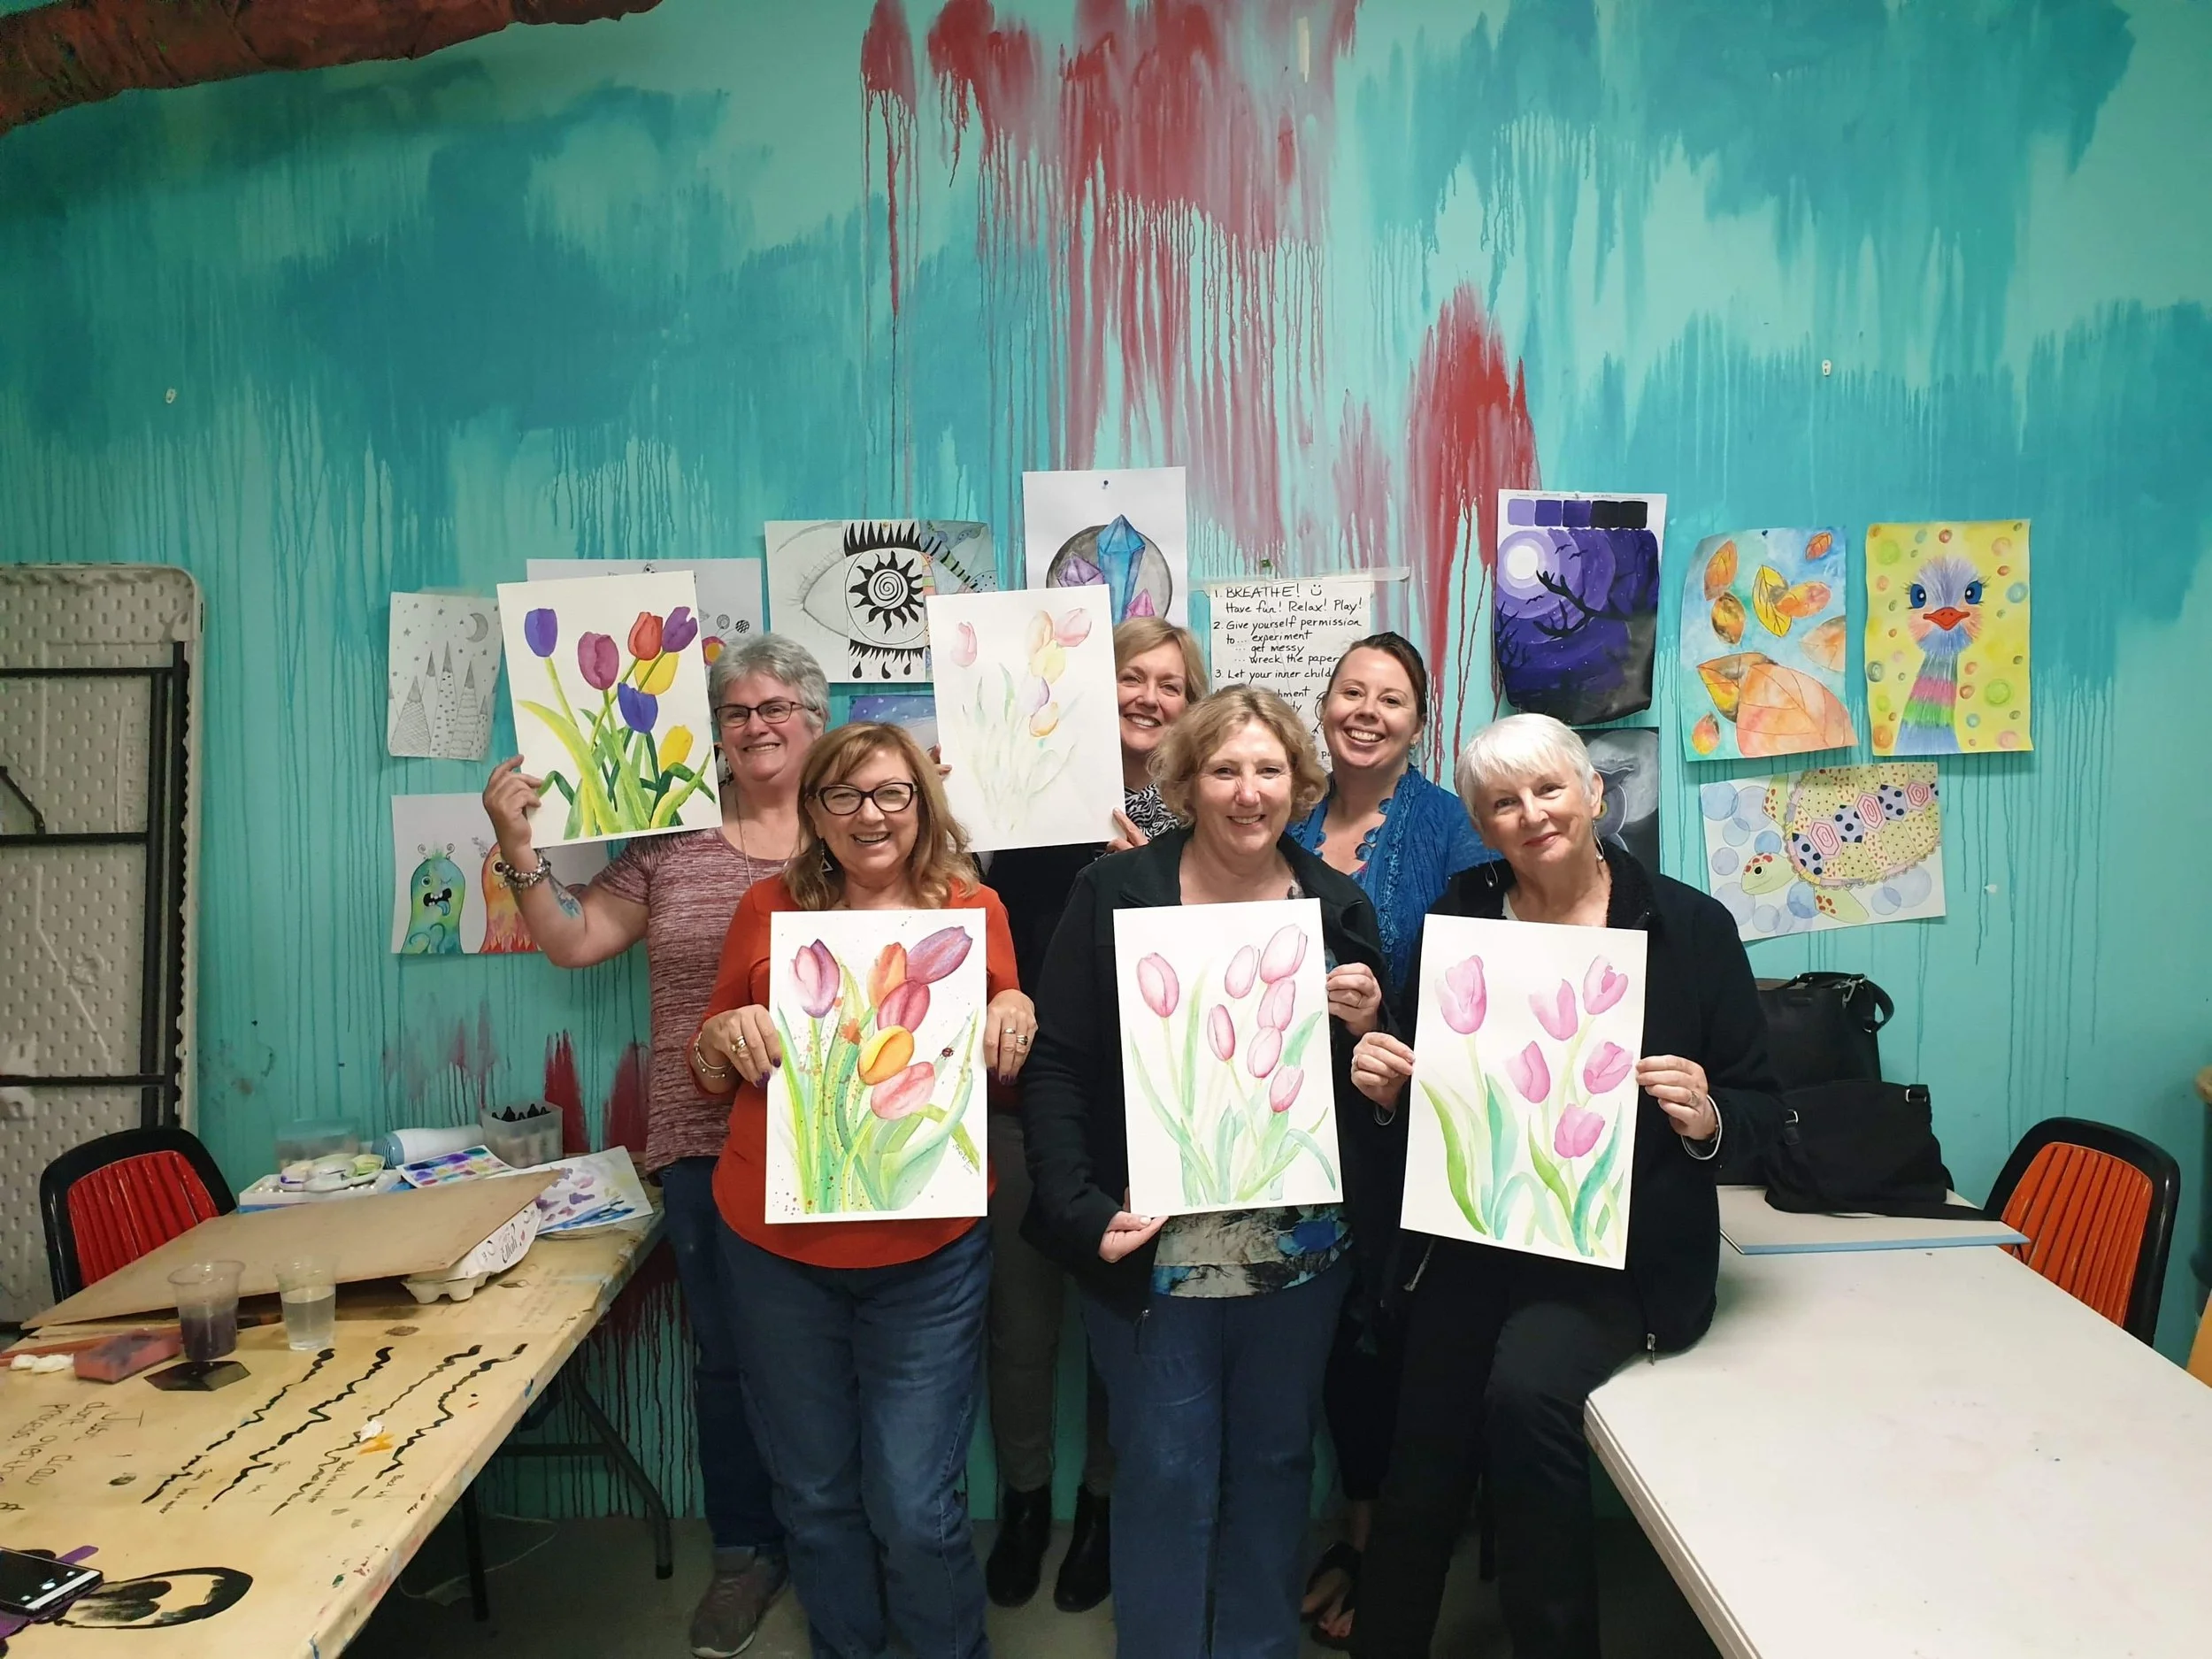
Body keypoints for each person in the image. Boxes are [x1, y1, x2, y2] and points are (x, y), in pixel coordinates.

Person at [1348, 714, 1785, 1659]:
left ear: (1593, 794)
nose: (1531, 815)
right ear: (1481, 821)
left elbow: (1764, 1110)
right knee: (1422, 1444)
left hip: (1617, 1258)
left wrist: (1708, 1116)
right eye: (1502, 802)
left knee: (1525, 1398)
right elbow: (1430, 1099)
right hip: (1473, 1237)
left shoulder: (1688, 927)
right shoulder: (1457, 923)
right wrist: (1387, 1088)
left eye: (1549, 790)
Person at [1020, 685, 1397, 1659]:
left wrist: (1368, 1038)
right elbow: (1058, 1063)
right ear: (1187, 783)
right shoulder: (1115, 894)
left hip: (1299, 1256)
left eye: (1268, 769)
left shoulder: (1334, 906)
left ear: (1298, 784)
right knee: (1168, 1472)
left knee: (1275, 1465)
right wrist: (1074, 1205)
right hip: (1152, 1251)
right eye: (1224, 769)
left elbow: (1370, 1101)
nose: (1247, 791)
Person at [482, 631, 826, 1659]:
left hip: (843, 1149)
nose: (756, 726)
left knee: (844, 1358)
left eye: (775, 708)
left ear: (816, 719)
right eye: (735, 713)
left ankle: (841, 1538)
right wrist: (517, 846)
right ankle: (745, 1551)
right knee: (726, 1360)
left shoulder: (861, 825)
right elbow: (574, 939)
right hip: (702, 1143)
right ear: (710, 734)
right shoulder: (674, 844)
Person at [691, 722, 1037, 1659]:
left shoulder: (975, 910)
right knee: (813, 1492)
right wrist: (718, 1041)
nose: (868, 815)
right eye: (841, 796)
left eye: (890, 793)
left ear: (922, 802)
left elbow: (995, 1080)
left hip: (926, 1252)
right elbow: (709, 1065)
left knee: (916, 1502)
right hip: (775, 1247)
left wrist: (1013, 1006)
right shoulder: (767, 908)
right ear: (814, 813)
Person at [976, 616, 1209, 1612]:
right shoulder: (1017, 804)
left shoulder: (1206, 825)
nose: (1148, 698)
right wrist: (958, 803)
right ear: (1089, 690)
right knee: (1019, 1327)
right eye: (1130, 678)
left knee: (1127, 1325)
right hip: (1027, 1103)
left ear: (1191, 708)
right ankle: (1026, 1502)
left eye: (1170, 684)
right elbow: (961, 923)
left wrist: (1142, 870)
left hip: (1152, 1115)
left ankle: (1102, 1506)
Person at [1286, 631, 1496, 1647]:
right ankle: (1359, 1528)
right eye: (1349, 693)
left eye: (1392, 700)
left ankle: (1398, 1548)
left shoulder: (1453, 830)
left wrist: (1388, 1029)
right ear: (1323, 707)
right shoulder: (1282, 817)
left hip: (1405, 1130)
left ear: (1420, 724)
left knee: (1394, 1342)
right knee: (1328, 1343)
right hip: (1283, 1130)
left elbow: (1490, 984)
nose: (1365, 712)